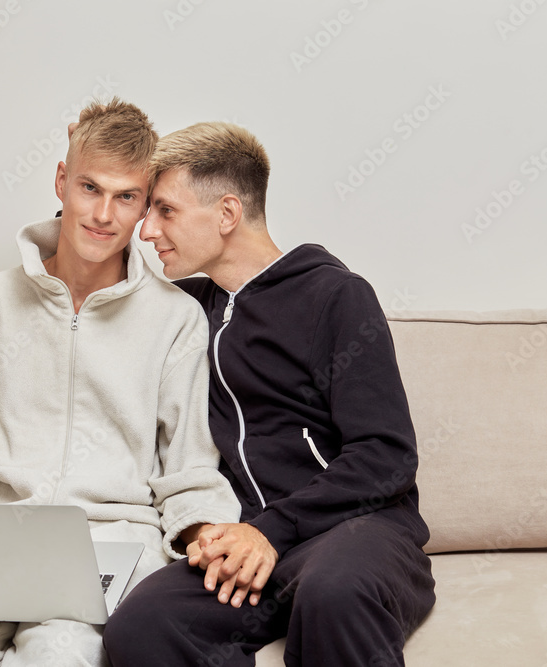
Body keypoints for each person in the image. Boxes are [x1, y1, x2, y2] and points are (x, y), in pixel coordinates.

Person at [0, 101, 241, 666]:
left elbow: (189, 467)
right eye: (89, 188)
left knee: (63, 658)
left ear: (144, 206)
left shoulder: (175, 321)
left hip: (103, 552)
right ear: (61, 182)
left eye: (126, 196)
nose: (103, 214)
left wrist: (205, 532)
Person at [104, 122, 436, 666]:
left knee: (334, 592)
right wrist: (94, 172)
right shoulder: (185, 312)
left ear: (227, 214)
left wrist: (273, 531)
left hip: (356, 535)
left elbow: (386, 455)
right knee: (142, 624)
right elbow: (99, 283)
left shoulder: (337, 296)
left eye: (165, 211)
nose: (147, 231)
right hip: (246, 546)